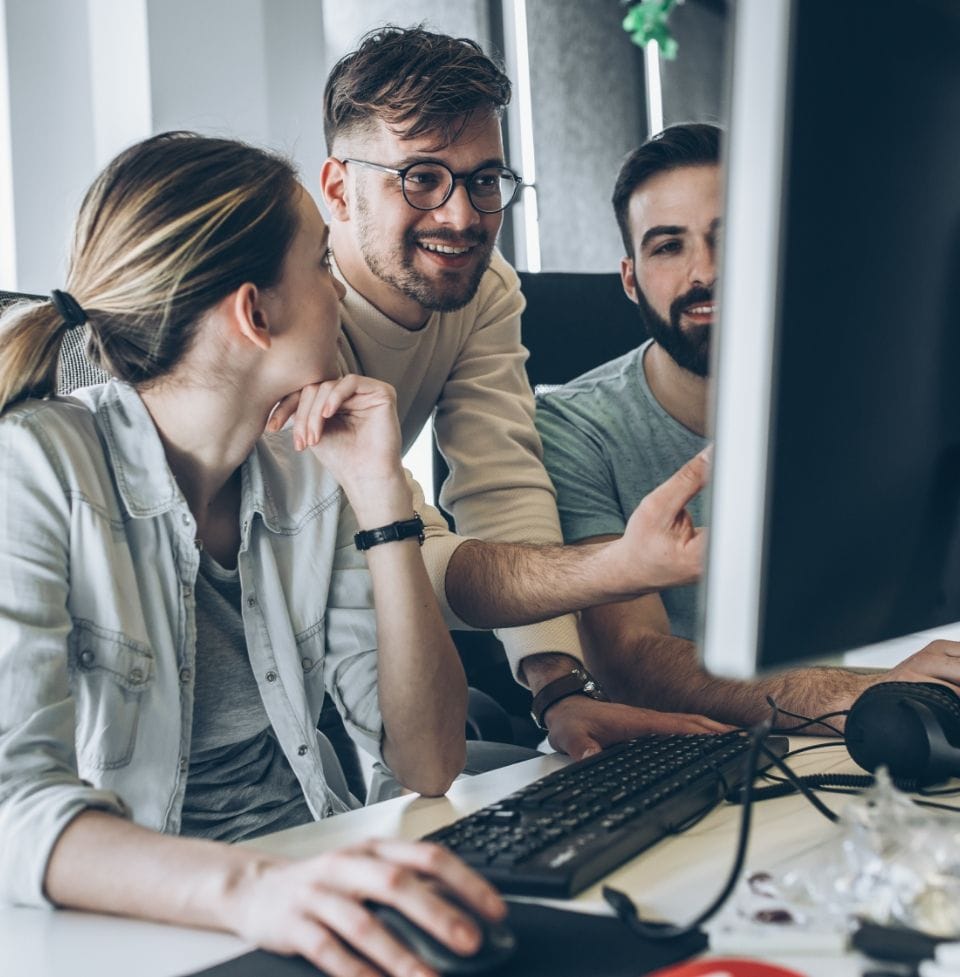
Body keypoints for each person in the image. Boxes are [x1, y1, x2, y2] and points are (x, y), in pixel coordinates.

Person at [0, 131, 509, 976]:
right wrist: (258, 888)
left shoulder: (307, 472)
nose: (339, 287)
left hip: (305, 891)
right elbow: (11, 805)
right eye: (320, 262)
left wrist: (380, 493)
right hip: (153, 929)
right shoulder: (34, 470)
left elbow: (426, 760)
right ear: (255, 311)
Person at [314, 26, 722, 759]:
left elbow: (501, 487)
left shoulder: (484, 286)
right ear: (340, 189)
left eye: (483, 179)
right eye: (421, 177)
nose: (462, 216)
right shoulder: (293, 312)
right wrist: (614, 568)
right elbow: (394, 547)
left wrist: (558, 689)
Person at [535, 122, 960, 730]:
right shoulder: (574, 428)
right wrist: (854, 695)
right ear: (631, 279)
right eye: (667, 246)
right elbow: (631, 657)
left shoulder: (865, 394)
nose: (704, 272)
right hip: (707, 753)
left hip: (886, 722)